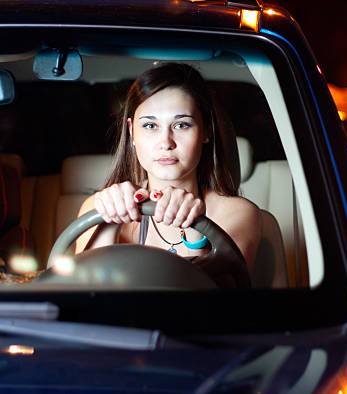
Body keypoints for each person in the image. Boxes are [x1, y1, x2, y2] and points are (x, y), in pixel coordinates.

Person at [76, 63, 261, 286]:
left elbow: (219, 303)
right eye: (150, 126)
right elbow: (86, 295)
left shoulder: (237, 213)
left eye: (182, 125)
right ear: (132, 132)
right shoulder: (96, 208)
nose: (165, 142)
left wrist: (194, 227)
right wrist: (110, 221)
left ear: (206, 131)